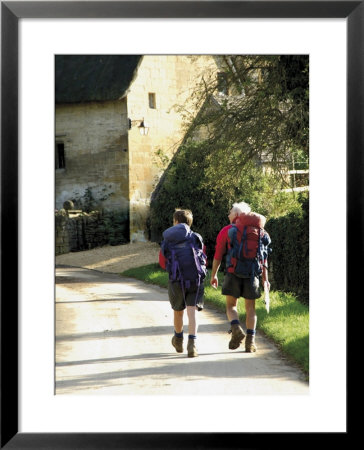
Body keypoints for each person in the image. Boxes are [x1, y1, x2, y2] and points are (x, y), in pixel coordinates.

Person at [210, 202, 271, 353]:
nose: (228, 214)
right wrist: (265, 279)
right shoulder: (260, 232)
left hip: (233, 271)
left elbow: (218, 255)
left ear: (237, 215)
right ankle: (250, 342)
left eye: (230, 211)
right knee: (250, 308)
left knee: (231, 306)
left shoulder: (228, 231)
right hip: (252, 274)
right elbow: (263, 258)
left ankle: (236, 328)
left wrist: (213, 275)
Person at [159, 209, 207, 358]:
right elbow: (203, 258)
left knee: (178, 311)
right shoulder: (196, 237)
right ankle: (192, 345)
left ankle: (178, 338)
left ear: (175, 222)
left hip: (176, 279)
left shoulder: (168, 239)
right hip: (195, 279)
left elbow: (162, 262)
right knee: (192, 312)